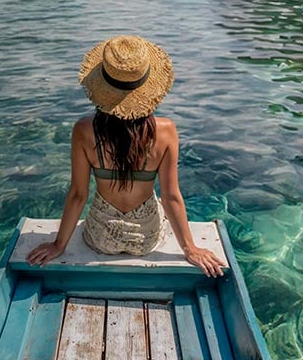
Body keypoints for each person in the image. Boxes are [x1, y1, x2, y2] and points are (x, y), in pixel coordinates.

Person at [26, 35, 226, 277]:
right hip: (146, 239)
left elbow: (78, 195)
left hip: (102, 238)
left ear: (102, 86)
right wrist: (190, 248)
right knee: (161, 202)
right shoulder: (166, 131)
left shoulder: (83, 130)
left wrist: (59, 245)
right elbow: (172, 195)